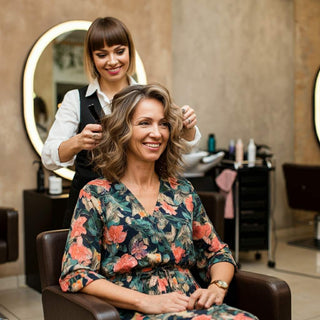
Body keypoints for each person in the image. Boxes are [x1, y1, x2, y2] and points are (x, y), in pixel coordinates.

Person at [59, 84, 258, 320]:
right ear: (123, 130)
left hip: (192, 307)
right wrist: (146, 302)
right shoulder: (96, 195)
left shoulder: (182, 191)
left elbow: (217, 253)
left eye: (163, 124)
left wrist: (218, 287)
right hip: (135, 311)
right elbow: (77, 273)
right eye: (145, 123)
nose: (157, 133)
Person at [41, 17, 201, 228]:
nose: (112, 61)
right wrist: (78, 142)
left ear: (129, 52)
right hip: (89, 210)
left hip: (137, 208)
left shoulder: (146, 97)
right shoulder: (75, 100)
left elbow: (187, 144)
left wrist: (187, 126)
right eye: (102, 55)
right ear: (91, 58)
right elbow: (48, 157)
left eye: (119, 51)